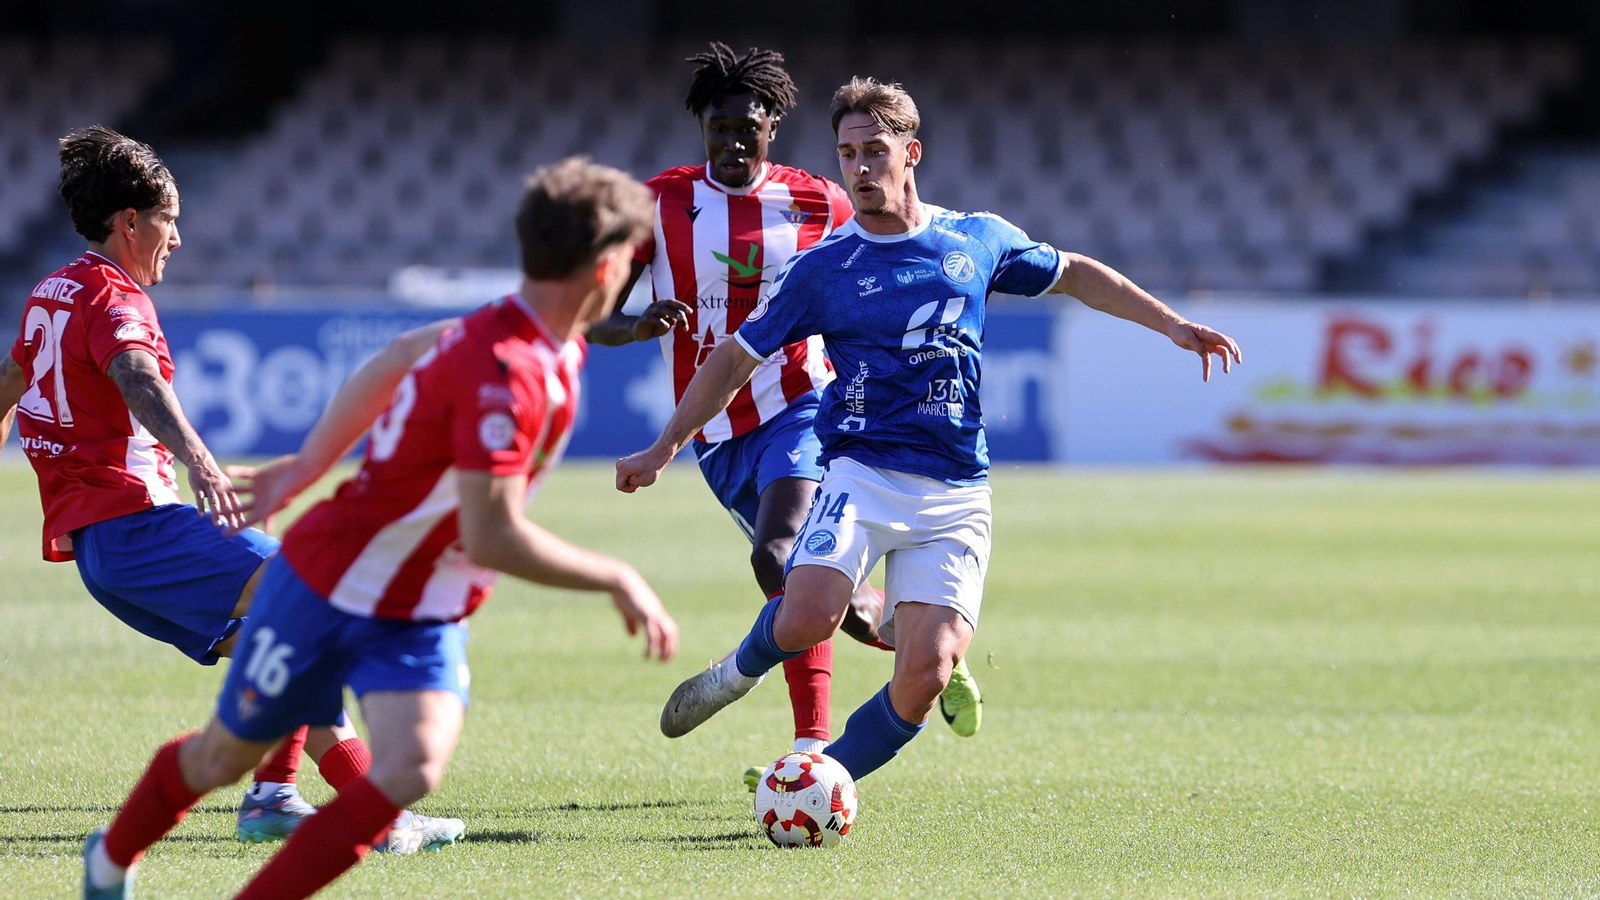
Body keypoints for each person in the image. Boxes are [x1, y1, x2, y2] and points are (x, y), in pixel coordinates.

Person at [81, 156, 678, 900]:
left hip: (419, 603)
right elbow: (492, 534)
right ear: (603, 269)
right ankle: (109, 860)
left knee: (412, 766)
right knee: (220, 758)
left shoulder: (522, 332)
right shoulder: (510, 374)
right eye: (631, 261)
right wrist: (615, 575)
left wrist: (303, 467)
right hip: (330, 581)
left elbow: (395, 358)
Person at [617, 79, 1242, 782]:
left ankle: (824, 782)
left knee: (928, 673)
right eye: (847, 153)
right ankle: (731, 676)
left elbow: (1073, 275)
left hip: (956, 492)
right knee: (806, 612)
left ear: (910, 153)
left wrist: (1173, 325)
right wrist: (664, 445)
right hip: (860, 470)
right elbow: (734, 355)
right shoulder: (824, 267)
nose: (858, 168)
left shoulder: (976, 239)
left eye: (874, 151)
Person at [0, 126, 459, 849]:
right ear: (129, 222)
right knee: (312, 588)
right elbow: (136, 375)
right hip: (136, 525)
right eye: (169, 219)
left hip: (106, 553)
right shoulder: (115, 298)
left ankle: (319, 803)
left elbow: (10, 380)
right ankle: (291, 798)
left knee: (289, 646)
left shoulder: (47, 294)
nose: (177, 238)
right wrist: (201, 460)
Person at [586, 43, 984, 774]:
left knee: (781, 556)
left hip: (803, 406)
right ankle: (921, 643)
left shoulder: (818, 200)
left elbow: (890, 243)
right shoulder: (659, 203)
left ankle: (808, 746)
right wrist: (638, 324)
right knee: (798, 581)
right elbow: (594, 317)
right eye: (718, 127)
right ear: (700, 127)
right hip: (715, 428)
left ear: (774, 127)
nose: (733, 141)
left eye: (749, 127)